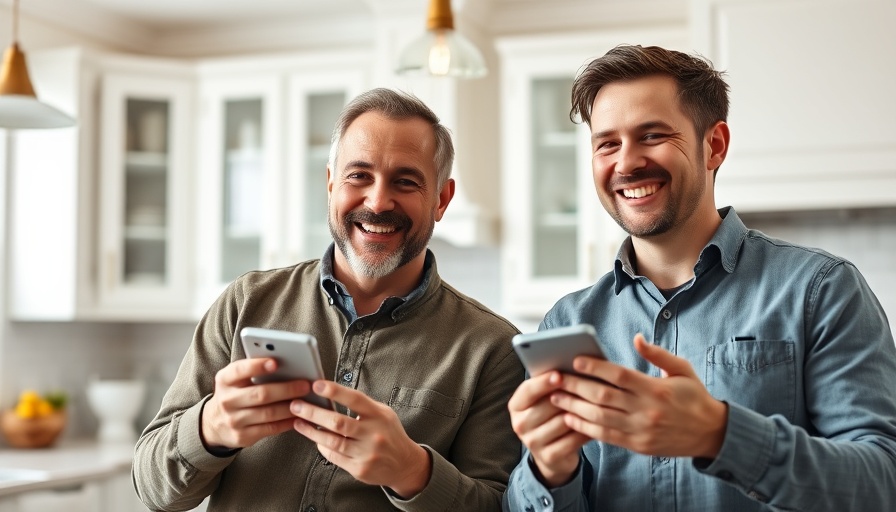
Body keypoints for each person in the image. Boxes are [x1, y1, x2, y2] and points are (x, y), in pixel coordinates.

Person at [503, 44, 896, 511]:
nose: (625, 163)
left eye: (651, 135)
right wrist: (548, 471)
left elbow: (881, 483)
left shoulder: (821, 289)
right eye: (607, 143)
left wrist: (719, 434)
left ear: (715, 145)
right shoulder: (567, 321)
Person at [133, 88, 525, 511]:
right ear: (330, 184)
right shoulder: (246, 303)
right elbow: (155, 490)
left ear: (441, 200)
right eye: (359, 175)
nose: (377, 201)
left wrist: (413, 471)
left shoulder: (493, 348)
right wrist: (210, 428)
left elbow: (502, 504)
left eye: (405, 181)